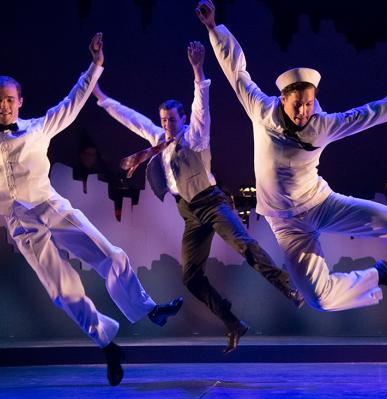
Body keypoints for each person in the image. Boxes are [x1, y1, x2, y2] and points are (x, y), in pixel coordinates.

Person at [93, 41, 304, 354]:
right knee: (191, 277)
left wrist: (197, 69)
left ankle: (287, 286)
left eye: (172, 120)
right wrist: (99, 96)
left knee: (244, 245)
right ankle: (232, 322)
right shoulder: (156, 140)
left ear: (182, 119)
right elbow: (130, 117)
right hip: (189, 213)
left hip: (212, 203)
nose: (167, 125)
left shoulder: (195, 134)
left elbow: (201, 104)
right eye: (163, 120)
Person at [0, 32, 183, 386]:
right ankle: (108, 345)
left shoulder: (36, 129)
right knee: (62, 289)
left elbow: (71, 103)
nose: (3, 105)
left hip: (51, 206)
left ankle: (149, 309)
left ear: (20, 101)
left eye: (8, 99)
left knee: (110, 254)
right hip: (21, 223)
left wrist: (95, 66)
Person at [196, 0, 387, 313]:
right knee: (321, 299)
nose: (304, 111)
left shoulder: (322, 125)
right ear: (283, 99)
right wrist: (214, 28)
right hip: (286, 225)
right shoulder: (261, 110)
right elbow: (236, 72)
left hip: (321, 205)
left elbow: (372, 112)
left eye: (308, 104)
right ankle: (378, 275)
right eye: (297, 105)